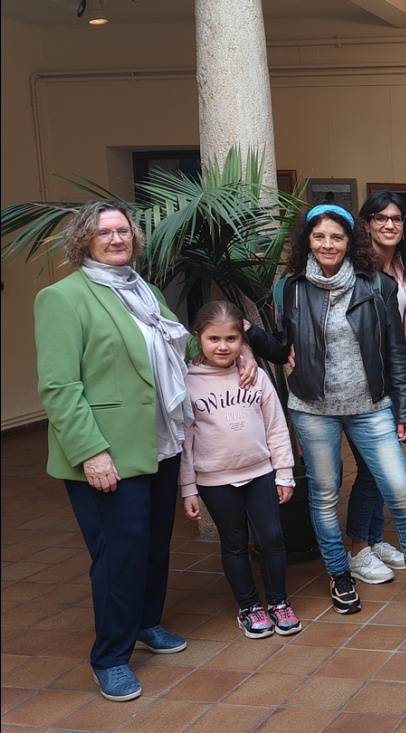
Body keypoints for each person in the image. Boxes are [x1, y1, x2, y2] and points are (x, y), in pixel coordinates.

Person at [35, 200, 194, 701]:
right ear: (85, 238)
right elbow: (60, 386)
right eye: (104, 232)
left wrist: (243, 348)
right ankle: (110, 657)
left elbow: (179, 346)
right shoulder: (62, 298)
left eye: (123, 230)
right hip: (107, 452)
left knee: (152, 545)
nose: (117, 238)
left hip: (157, 440)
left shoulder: (142, 291)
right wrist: (91, 451)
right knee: (118, 555)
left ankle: (146, 623)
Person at [246, 204, 406, 616]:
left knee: (400, 491)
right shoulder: (289, 288)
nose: (328, 244)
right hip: (313, 409)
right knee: (325, 496)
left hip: (372, 407)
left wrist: (404, 408)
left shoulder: (376, 285)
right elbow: (283, 348)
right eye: (319, 237)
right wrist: (251, 337)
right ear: (307, 242)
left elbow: (396, 353)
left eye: (337, 236)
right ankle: (339, 574)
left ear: (351, 242)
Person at [179, 300, 301, 639]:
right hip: (215, 480)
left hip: (261, 473)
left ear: (241, 339)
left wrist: (284, 471)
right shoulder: (188, 383)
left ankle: (278, 603)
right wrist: (188, 487)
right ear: (198, 338)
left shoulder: (255, 374)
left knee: (273, 539)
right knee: (233, 542)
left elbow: (276, 426)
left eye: (231, 339)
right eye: (214, 339)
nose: (223, 346)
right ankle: (249, 607)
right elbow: (185, 440)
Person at [342, 191, 406, 583]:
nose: (389, 225)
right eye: (380, 218)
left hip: (396, 378)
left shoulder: (402, 265)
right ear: (365, 225)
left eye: (397, 218)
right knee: (373, 468)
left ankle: (373, 537)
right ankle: (357, 549)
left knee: (380, 466)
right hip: (362, 384)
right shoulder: (353, 270)